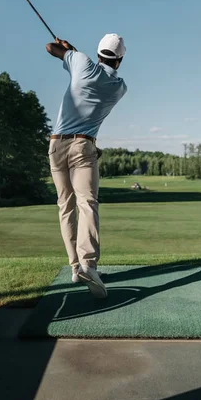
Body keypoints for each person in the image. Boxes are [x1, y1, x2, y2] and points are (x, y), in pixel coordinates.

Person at [46, 34, 127, 298]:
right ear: (120, 59)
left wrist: (68, 50)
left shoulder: (81, 61)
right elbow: (96, 72)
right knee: (87, 203)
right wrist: (74, 53)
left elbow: (51, 48)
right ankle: (88, 264)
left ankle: (74, 267)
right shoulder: (119, 86)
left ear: (98, 51)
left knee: (65, 206)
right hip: (84, 147)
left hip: (56, 146)